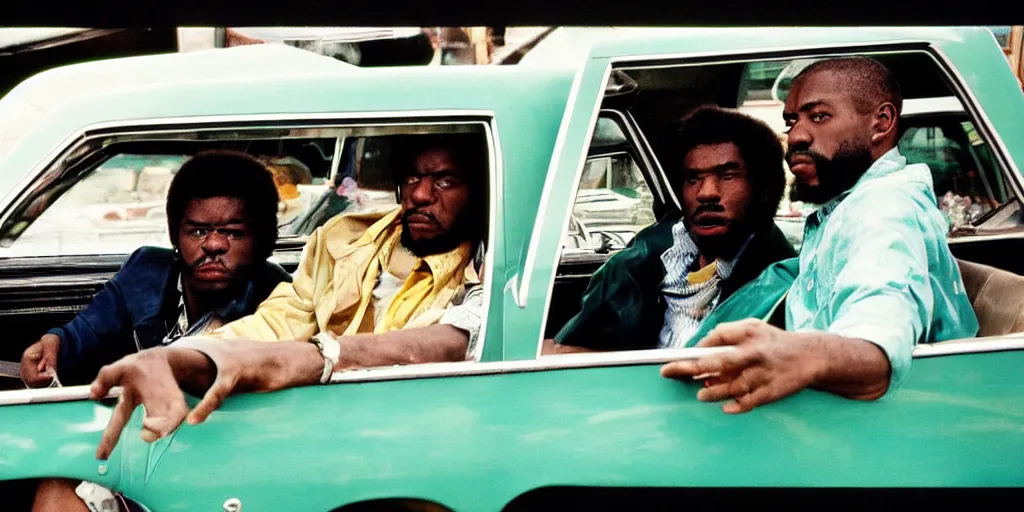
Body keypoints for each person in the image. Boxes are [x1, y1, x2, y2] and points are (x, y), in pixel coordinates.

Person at [659, 56, 980, 413]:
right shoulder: (845, 210)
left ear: (881, 123)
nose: (795, 135)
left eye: (819, 117)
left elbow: (878, 346)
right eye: (792, 121)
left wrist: (802, 353)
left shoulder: (882, 210)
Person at [24, 149, 292, 512]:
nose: (213, 245)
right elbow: (85, 333)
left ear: (262, 241)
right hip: (137, 449)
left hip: (221, 462)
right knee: (56, 483)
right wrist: (54, 343)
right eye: (197, 231)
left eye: (233, 232)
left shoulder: (281, 300)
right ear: (175, 235)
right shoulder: (145, 273)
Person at [545, 106, 796, 354]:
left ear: (761, 189)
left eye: (728, 176)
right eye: (693, 179)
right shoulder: (644, 258)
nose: (706, 192)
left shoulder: (783, 284)